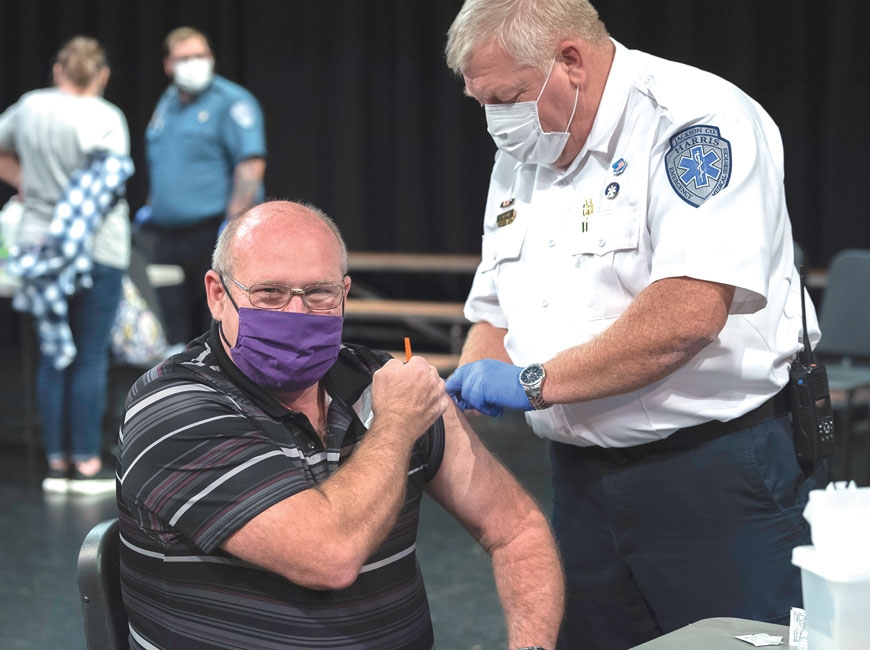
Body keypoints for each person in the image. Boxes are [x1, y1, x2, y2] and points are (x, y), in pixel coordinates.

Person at [442, 1, 827, 649]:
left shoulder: (695, 121)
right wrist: (459, 394)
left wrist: (533, 382)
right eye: (481, 101)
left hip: (713, 474)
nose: (494, 121)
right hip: (579, 476)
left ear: (570, 61)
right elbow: (495, 310)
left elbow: (689, 311)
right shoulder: (525, 144)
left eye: (505, 96)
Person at [117, 200, 564, 650]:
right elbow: (329, 556)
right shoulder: (172, 407)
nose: (296, 314)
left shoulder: (382, 381)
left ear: (344, 294)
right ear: (218, 295)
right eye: (270, 293)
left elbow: (516, 530)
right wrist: (397, 424)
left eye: (318, 294)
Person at [0, 36, 133, 495]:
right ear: (102, 75)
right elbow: (109, 183)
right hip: (99, 247)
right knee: (90, 356)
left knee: (54, 354)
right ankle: (88, 463)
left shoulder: (29, 107)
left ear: (59, 70)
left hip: (40, 245)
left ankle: (55, 463)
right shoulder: (107, 117)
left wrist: (28, 184)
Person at [137, 26, 266, 344]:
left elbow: (250, 164)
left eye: (201, 55)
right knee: (171, 330)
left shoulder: (232, 102)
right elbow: (164, 162)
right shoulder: (166, 102)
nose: (194, 63)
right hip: (166, 235)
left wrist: (233, 225)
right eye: (185, 58)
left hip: (211, 233)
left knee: (213, 326)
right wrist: (152, 206)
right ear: (168, 65)